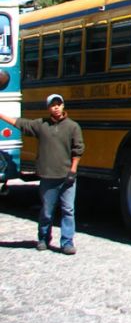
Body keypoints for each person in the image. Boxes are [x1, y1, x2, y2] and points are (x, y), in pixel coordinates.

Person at [0, 93, 84, 255]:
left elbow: (78, 150)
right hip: (47, 176)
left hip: (67, 176)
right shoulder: (41, 125)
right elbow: (20, 123)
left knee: (68, 210)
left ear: (63, 106)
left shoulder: (73, 127)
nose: (57, 107)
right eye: (53, 105)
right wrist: (1, 115)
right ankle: (43, 238)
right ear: (48, 108)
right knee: (47, 210)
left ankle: (67, 242)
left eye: (59, 104)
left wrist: (73, 170)